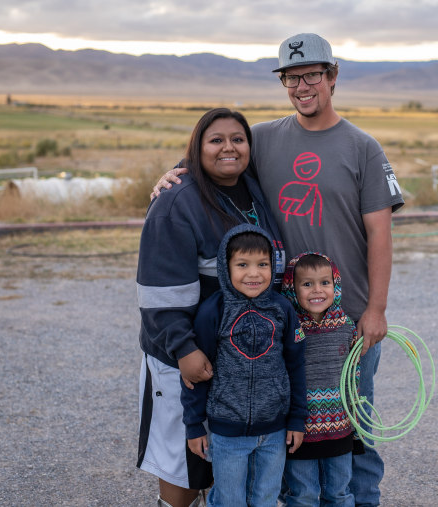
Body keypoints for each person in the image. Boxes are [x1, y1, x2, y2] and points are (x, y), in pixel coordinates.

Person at [153, 33, 404, 506]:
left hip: (345, 320)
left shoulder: (362, 147)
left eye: (312, 75)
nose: (302, 86)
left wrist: (376, 309)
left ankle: (363, 500)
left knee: (355, 424)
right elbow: (216, 157)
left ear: (333, 77)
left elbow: (381, 235)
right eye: (292, 77)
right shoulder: (264, 138)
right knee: (288, 430)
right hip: (277, 318)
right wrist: (172, 171)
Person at [136, 108, 287, 507]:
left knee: (231, 462)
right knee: (185, 461)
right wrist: (184, 349)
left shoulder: (251, 189)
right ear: (197, 147)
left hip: (239, 358)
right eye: (215, 140)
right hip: (186, 355)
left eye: (238, 139)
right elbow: (158, 294)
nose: (228, 148)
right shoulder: (176, 203)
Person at [181, 224, 307, 506]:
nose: (254, 273)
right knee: (229, 501)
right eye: (242, 264)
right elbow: (196, 375)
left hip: (275, 431)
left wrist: (297, 419)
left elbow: (296, 366)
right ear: (226, 267)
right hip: (227, 433)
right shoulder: (214, 311)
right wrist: (194, 425)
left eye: (262, 264)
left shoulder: (283, 309)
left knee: (265, 498)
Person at [280, 252, 360, 506]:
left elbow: (353, 377)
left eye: (325, 283)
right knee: (302, 494)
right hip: (300, 429)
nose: (317, 290)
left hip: (339, 426)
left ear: (335, 286)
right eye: (307, 284)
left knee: (338, 492)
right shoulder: (289, 328)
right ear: (292, 288)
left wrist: (355, 421)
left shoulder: (346, 326)